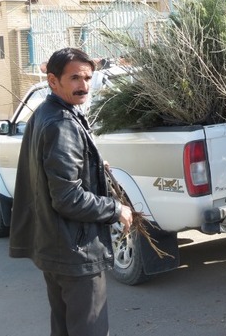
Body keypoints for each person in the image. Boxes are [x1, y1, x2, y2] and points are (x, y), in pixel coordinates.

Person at [9, 47, 133, 336]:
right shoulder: (62, 123)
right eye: (75, 78)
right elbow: (67, 198)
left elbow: (52, 172)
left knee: (64, 329)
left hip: (57, 247)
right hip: (76, 253)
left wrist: (92, 165)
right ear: (53, 81)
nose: (84, 85)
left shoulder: (47, 112)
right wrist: (117, 209)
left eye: (88, 77)